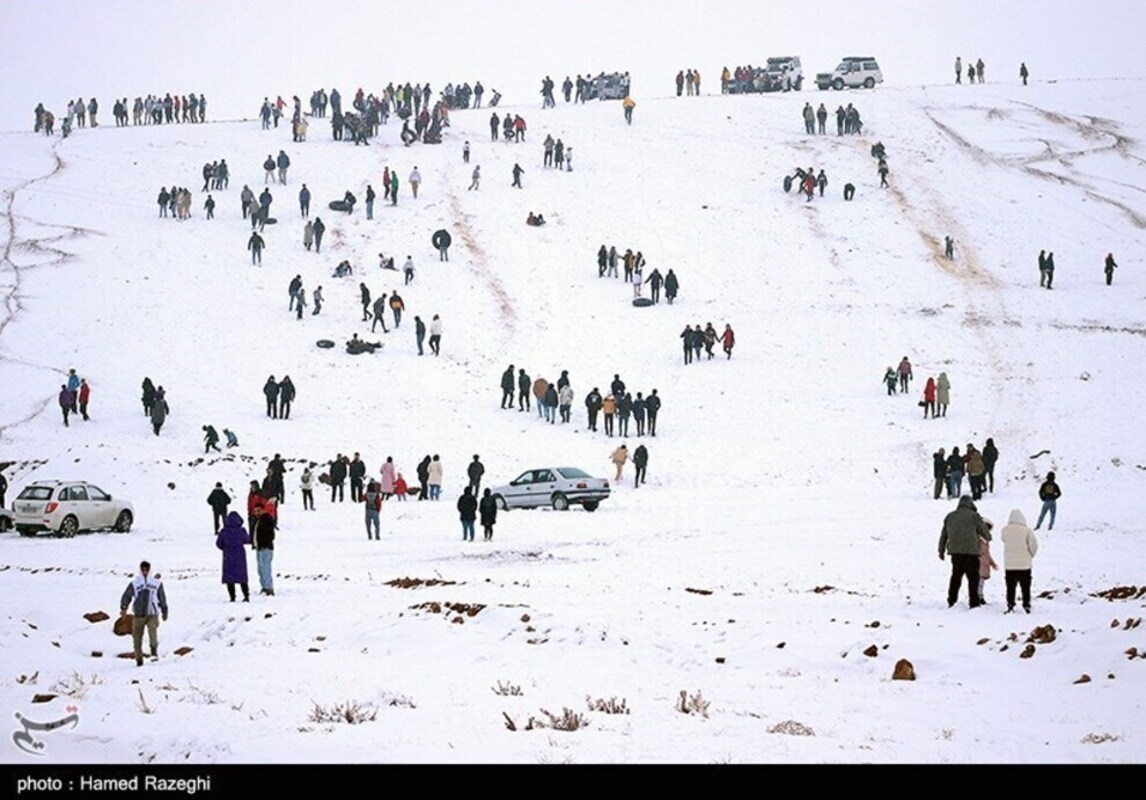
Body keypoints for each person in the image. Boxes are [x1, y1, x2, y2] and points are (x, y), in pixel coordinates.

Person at [939, 496, 990, 609]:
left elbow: (944, 536)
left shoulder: (950, 516)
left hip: (956, 553)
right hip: (972, 554)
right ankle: (974, 602)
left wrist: (941, 551)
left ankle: (951, 600)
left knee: (956, 577)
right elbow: (986, 534)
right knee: (973, 578)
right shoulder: (974, 516)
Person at [119, 561, 169, 666]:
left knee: (152, 633)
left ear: (150, 570)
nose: (145, 571)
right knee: (137, 637)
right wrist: (124, 608)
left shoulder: (156, 583)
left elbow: (162, 597)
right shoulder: (135, 583)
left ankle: (154, 654)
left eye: (147, 569)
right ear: (140, 570)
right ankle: (139, 660)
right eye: (143, 569)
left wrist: (164, 610)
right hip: (139, 615)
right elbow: (127, 595)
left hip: (152, 613)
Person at [1001, 509, 1039, 613]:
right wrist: (1030, 555)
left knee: (1010, 586)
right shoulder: (1027, 530)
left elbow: (1003, 539)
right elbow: (1034, 545)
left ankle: (1010, 604)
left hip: (1009, 565)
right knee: (1025, 586)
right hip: (1024, 564)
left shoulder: (1005, 530)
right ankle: (1026, 604)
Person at [216, 512, 251, 602]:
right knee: (242, 577)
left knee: (230, 578)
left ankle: (232, 597)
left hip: (228, 556)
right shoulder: (241, 530)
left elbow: (219, 543)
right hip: (240, 555)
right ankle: (246, 595)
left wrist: (225, 548)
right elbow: (247, 540)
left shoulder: (224, 531)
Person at [251, 500, 276, 596]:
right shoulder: (260, 520)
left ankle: (269, 588)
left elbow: (270, 535)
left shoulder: (267, 519)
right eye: (255, 511)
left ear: (263, 510)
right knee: (260, 569)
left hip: (265, 548)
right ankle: (264, 587)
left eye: (258, 510)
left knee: (266, 569)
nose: (256, 513)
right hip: (259, 548)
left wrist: (263, 543)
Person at [977, 525, 998, 605]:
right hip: (980, 563)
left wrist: (992, 564)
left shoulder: (985, 542)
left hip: (984, 564)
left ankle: (979, 596)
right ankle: (979, 597)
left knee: (980, 582)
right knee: (979, 582)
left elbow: (987, 554)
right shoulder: (978, 540)